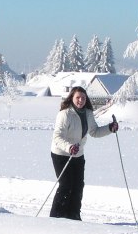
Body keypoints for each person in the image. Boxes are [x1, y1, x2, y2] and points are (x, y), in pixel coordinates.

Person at [49, 86, 118, 220]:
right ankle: (56, 217)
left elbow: (94, 132)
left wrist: (110, 128)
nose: (80, 100)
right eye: (78, 97)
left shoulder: (88, 113)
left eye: (83, 98)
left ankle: (73, 216)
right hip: (61, 154)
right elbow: (57, 137)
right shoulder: (65, 114)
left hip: (78, 154)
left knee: (78, 185)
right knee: (66, 185)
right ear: (72, 98)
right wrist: (69, 147)